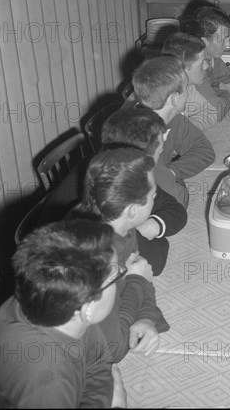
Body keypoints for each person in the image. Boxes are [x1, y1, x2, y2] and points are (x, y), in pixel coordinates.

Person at [0, 220, 127, 408]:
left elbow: (98, 363)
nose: (124, 272)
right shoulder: (47, 384)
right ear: (87, 309)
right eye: (115, 277)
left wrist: (101, 400)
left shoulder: (51, 303)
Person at [75, 147, 170, 363]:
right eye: (153, 196)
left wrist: (146, 317)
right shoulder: (97, 260)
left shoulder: (119, 224)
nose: (155, 199)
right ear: (133, 211)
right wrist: (137, 280)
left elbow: (140, 274)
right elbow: (112, 351)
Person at [100, 107, 188, 275]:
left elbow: (176, 209)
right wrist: (145, 236)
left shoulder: (124, 170)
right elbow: (154, 262)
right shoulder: (111, 196)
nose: (159, 158)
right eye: (159, 151)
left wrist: (154, 224)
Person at [132, 55, 215, 207]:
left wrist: (171, 173)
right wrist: (169, 178)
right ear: (175, 99)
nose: (189, 92)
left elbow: (205, 150)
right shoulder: (140, 142)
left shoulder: (173, 118)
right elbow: (178, 202)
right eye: (187, 88)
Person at [161, 31, 215, 130]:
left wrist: (189, 127)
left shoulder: (190, 88)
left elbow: (209, 110)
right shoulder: (162, 98)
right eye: (202, 62)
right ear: (183, 69)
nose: (206, 66)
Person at [192, 5, 230, 109]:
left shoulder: (213, 58)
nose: (228, 43)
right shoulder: (194, 68)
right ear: (204, 41)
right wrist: (225, 92)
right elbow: (216, 110)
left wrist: (217, 90)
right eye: (223, 39)